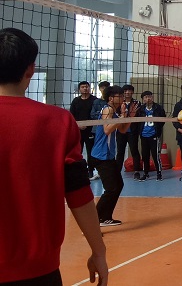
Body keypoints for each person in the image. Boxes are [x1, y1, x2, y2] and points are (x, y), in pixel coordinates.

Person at [0, 28, 108, 285]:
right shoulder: (58, 122)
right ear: (31, 69)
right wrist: (99, 251)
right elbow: (79, 194)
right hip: (38, 270)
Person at [92, 85, 137, 227]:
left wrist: (129, 117)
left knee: (118, 185)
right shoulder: (108, 109)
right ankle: (93, 222)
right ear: (111, 98)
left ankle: (105, 218)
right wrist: (122, 117)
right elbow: (107, 130)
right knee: (111, 188)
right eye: (120, 95)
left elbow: (122, 130)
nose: (123, 97)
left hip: (108, 156)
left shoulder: (114, 112)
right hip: (101, 156)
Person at [70, 80, 98, 179]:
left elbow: (96, 114)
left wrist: (88, 124)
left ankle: (90, 171)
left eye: (87, 87)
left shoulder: (94, 100)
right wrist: (78, 125)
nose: (85, 88)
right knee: (78, 151)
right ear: (79, 89)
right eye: (83, 87)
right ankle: (78, 170)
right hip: (78, 130)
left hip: (90, 130)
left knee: (91, 152)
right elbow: (72, 115)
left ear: (89, 88)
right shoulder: (76, 101)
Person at [116, 84, 143, 180]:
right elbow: (117, 115)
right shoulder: (119, 102)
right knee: (120, 151)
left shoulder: (137, 103)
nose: (127, 92)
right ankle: (117, 171)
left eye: (129, 91)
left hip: (132, 131)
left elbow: (139, 115)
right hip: (121, 130)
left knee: (134, 150)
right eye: (125, 91)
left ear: (132, 92)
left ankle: (136, 171)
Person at [139, 90, 167, 181]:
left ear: (152, 97)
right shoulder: (140, 109)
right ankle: (145, 173)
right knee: (145, 155)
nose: (148, 99)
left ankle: (159, 173)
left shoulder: (158, 108)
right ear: (143, 99)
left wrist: (157, 130)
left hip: (154, 135)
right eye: (146, 97)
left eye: (150, 96)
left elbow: (163, 120)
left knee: (156, 155)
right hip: (144, 135)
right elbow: (137, 121)